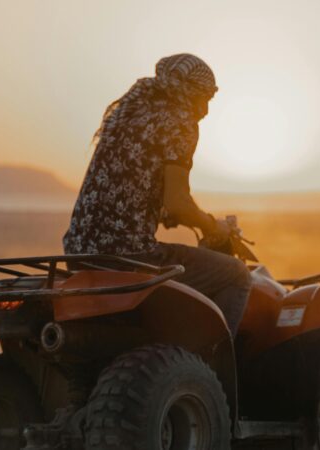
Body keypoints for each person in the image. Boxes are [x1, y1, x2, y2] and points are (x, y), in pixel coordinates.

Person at [63, 53, 252, 335]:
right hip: (128, 256)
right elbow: (178, 203)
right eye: (206, 99)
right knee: (236, 275)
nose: (206, 111)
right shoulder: (180, 121)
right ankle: (209, 368)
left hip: (79, 251)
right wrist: (216, 227)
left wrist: (163, 214)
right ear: (190, 92)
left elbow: (130, 183)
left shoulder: (131, 113)